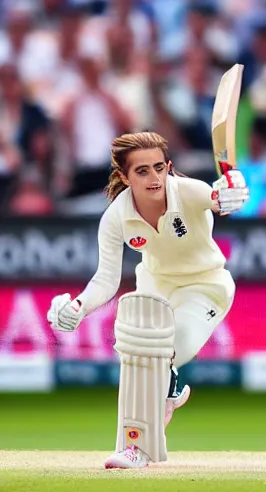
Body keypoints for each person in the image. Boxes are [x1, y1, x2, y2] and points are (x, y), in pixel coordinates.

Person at [45, 131, 249, 469]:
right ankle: (134, 446)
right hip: (154, 287)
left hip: (205, 286)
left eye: (159, 168)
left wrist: (233, 195)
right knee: (136, 356)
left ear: (168, 166)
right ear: (124, 176)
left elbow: (219, 199)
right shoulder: (115, 218)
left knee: (164, 351)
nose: (154, 178)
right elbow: (106, 280)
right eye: (142, 171)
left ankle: (161, 396)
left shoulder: (189, 191)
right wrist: (78, 306)